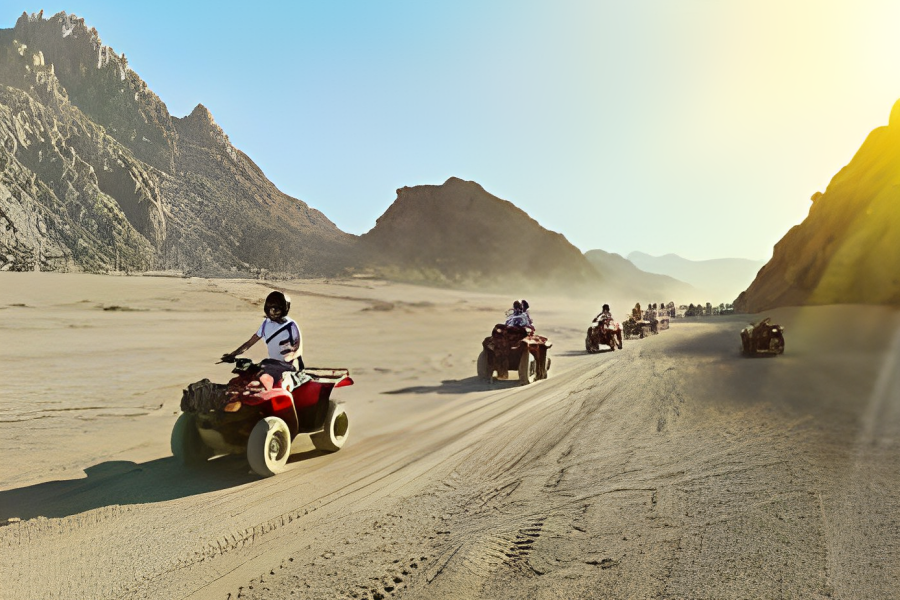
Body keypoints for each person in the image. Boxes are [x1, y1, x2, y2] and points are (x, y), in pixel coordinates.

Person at [221, 290, 303, 377]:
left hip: (289, 367)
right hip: (273, 364)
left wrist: (288, 358)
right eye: (271, 308)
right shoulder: (266, 324)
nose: (273, 312)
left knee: (263, 366)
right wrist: (233, 354)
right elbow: (250, 343)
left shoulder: (291, 326)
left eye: (277, 309)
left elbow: (298, 350)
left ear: (284, 309)